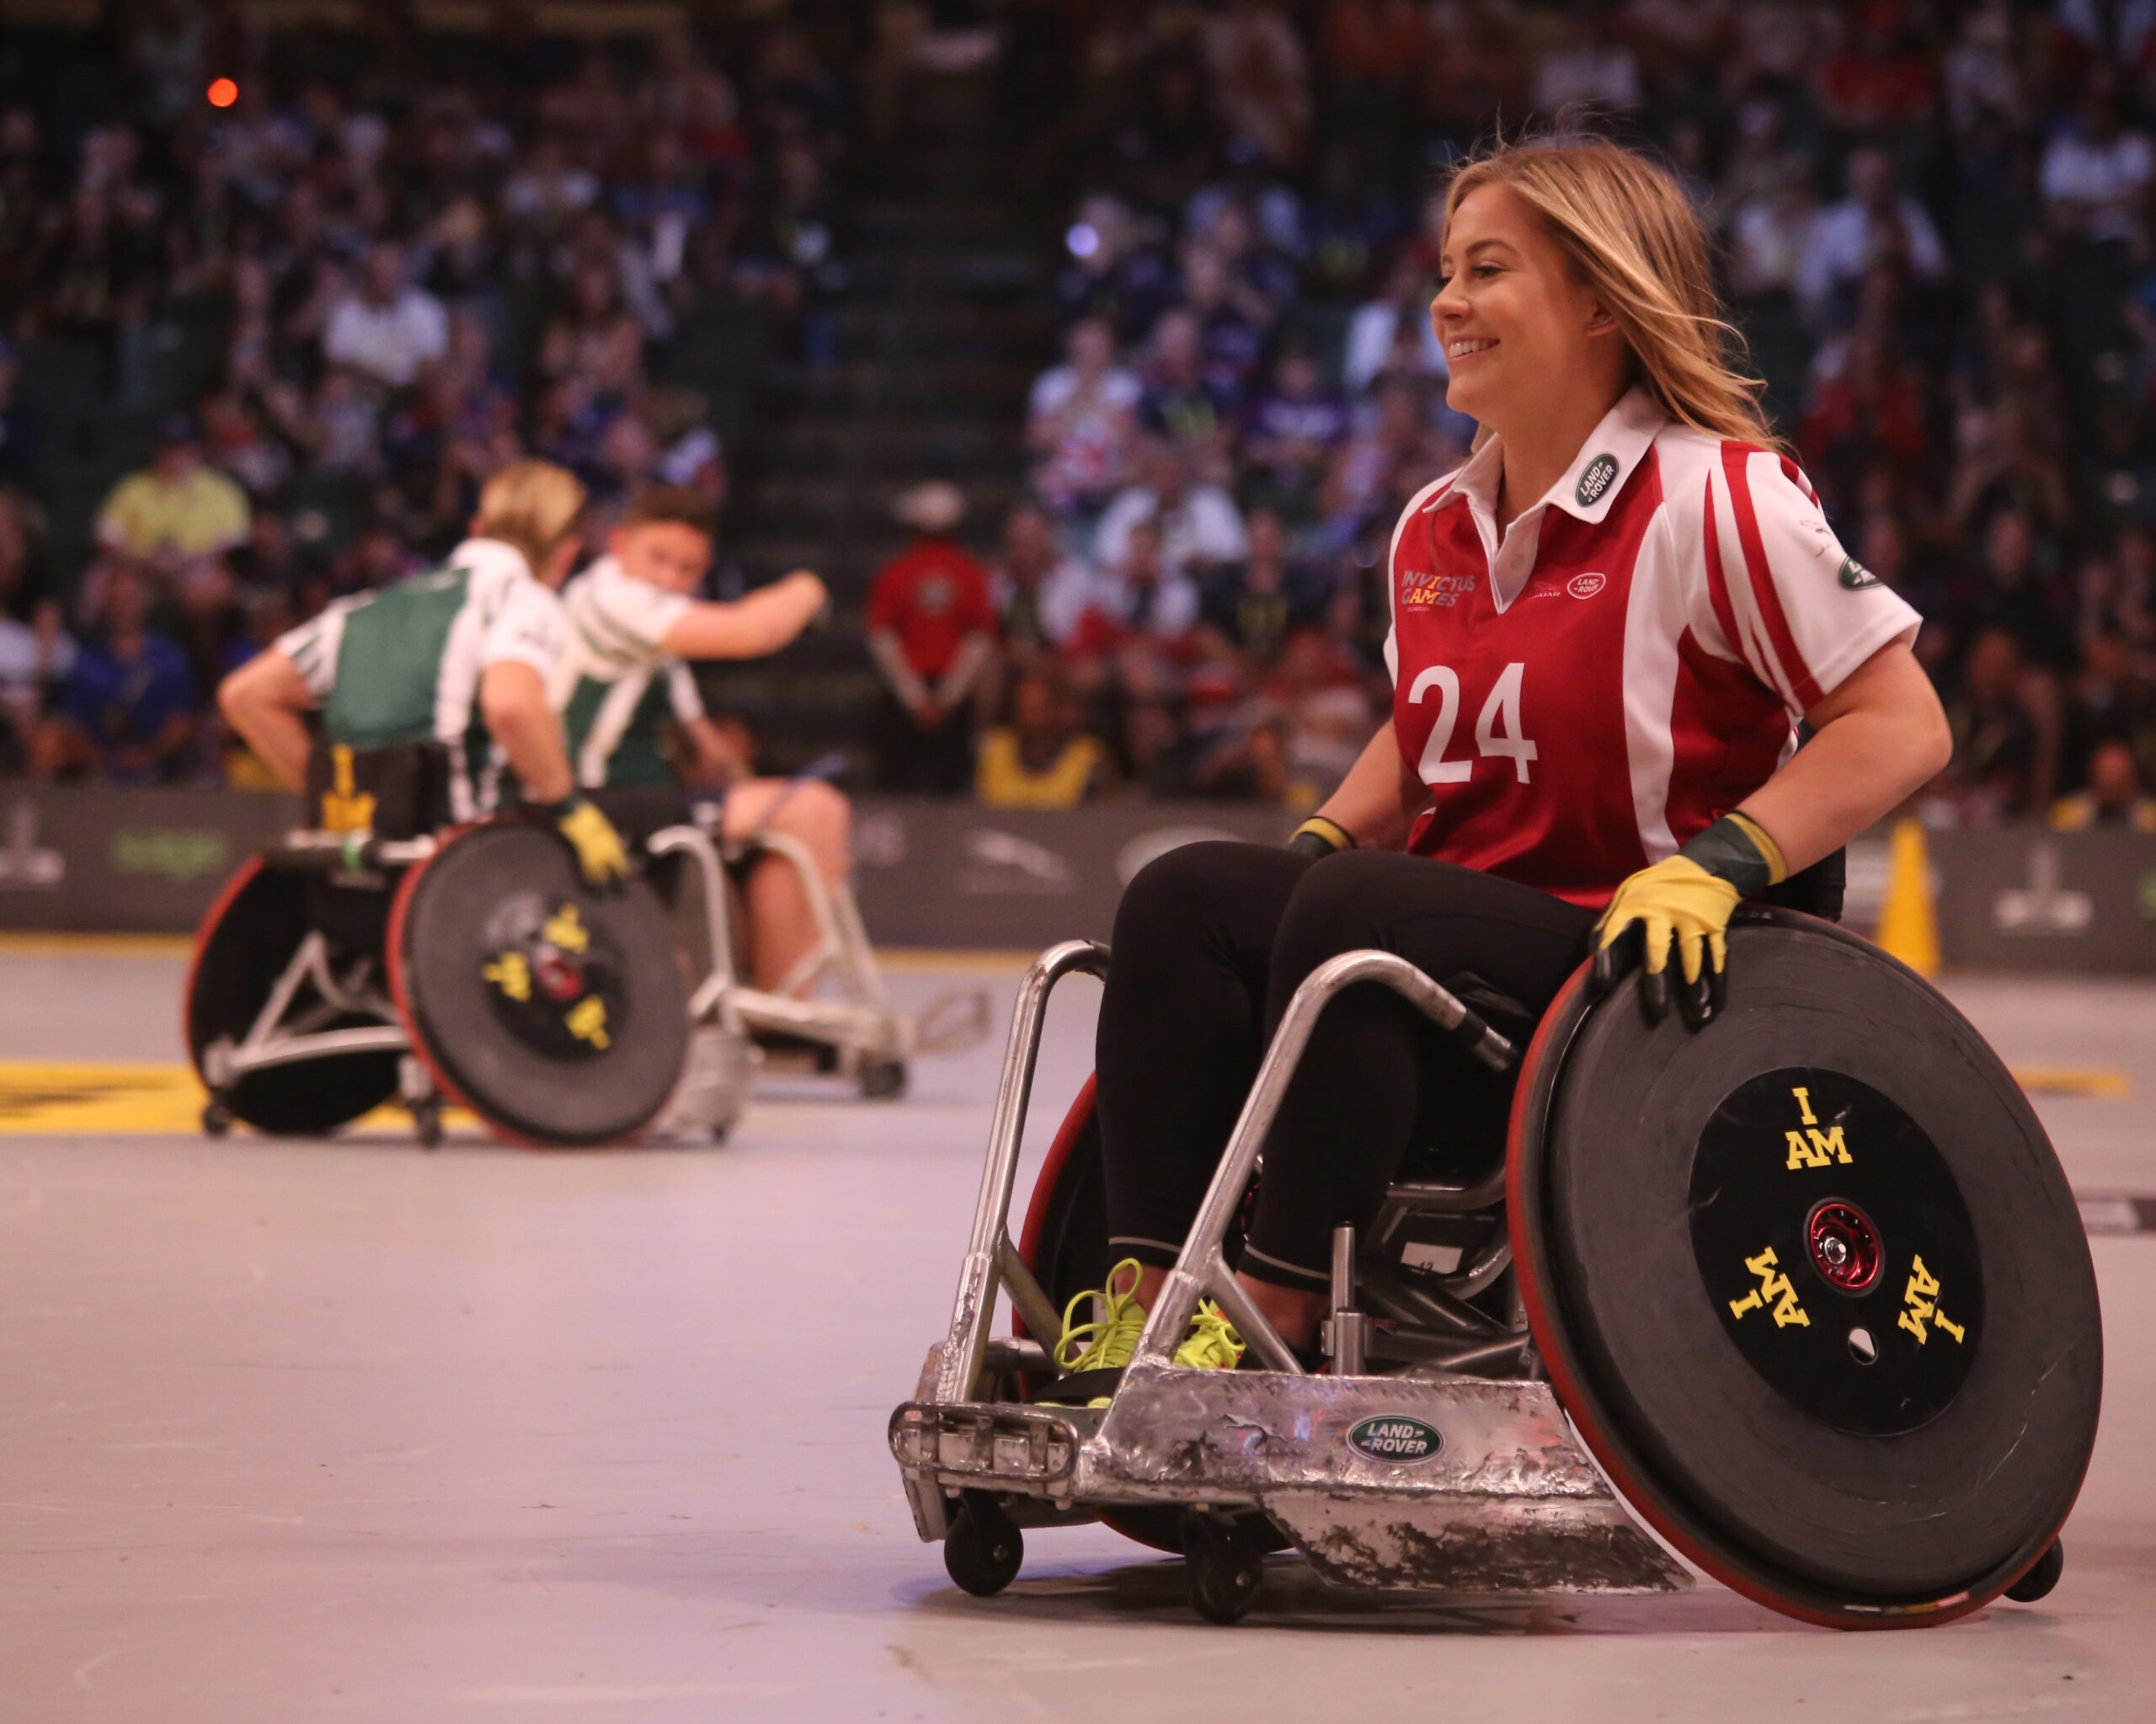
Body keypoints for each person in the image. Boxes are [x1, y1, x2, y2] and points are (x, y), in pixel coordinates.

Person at [1046, 135, 1951, 1392]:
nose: (1446, 303)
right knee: (1189, 893)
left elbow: (1902, 721)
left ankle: (1273, 1317)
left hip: (1641, 962)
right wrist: (1313, 843)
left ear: (1595, 297)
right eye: (1443, 271)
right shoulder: (1433, 521)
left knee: (1365, 911)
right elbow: (1435, 725)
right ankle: (1139, 1314)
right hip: (1458, 937)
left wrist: (1718, 867)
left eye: (1487, 270)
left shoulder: (1718, 496)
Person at [215, 459, 628, 886]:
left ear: (476, 528)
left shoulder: (363, 609)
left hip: (358, 871)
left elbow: (245, 695)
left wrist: (343, 796)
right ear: (566, 552)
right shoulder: (522, 599)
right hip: (465, 869)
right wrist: (568, 807)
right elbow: (511, 704)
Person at [552, 483, 839, 991]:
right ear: (618, 544)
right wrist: (812, 585)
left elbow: (706, 746)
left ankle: (764, 992)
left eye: (687, 570)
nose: (669, 579)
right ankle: (785, 1010)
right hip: (593, 802)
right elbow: (754, 631)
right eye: (657, 558)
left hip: (643, 799)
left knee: (786, 812)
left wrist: (749, 784)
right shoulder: (611, 598)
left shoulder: (655, 638)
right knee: (813, 811)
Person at [865, 481, 998, 794]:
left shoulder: (897, 571)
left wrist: (916, 699)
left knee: (898, 785)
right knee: (950, 786)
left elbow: (882, 637)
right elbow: (979, 640)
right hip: (951, 696)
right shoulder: (970, 571)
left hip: (908, 695)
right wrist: (947, 699)